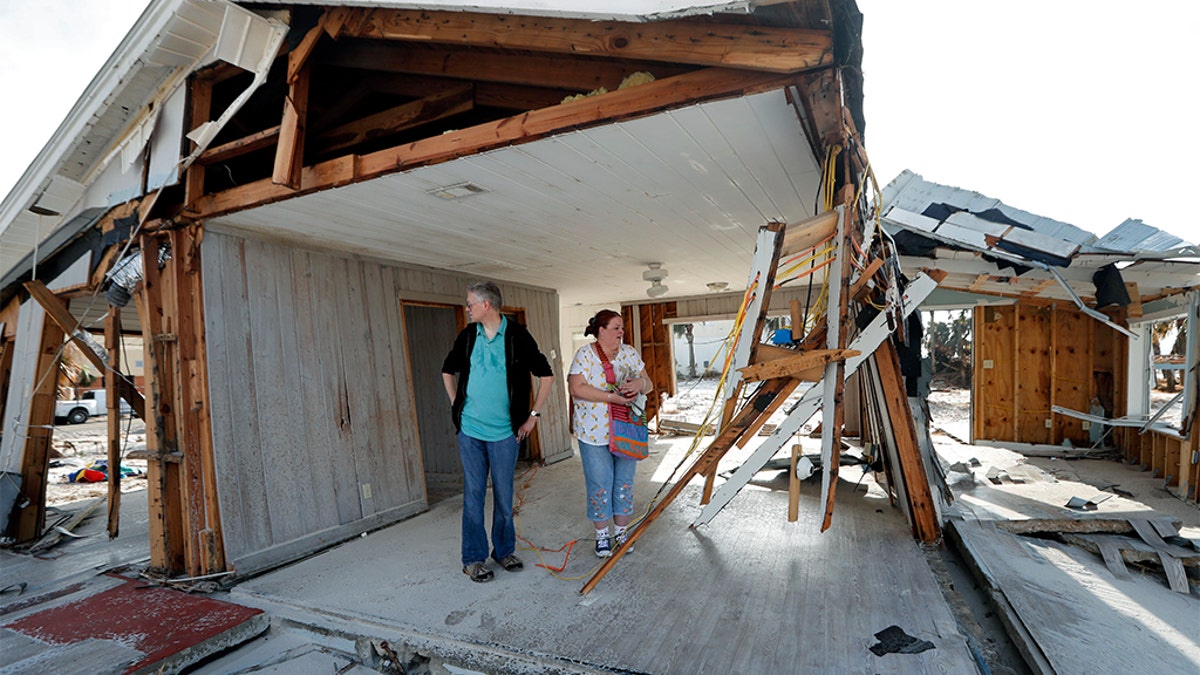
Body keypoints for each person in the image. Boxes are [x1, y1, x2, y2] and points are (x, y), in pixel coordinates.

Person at [442, 281, 555, 583]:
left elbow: (546, 374)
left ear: (486, 305)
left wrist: (533, 416)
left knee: (505, 497)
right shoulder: (468, 336)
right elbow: (447, 369)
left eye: (470, 304)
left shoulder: (517, 336)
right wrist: (457, 404)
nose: (467, 309)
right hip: (471, 432)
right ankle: (473, 559)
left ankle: (503, 551)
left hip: (505, 433)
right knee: (474, 496)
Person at [567, 309, 653, 558]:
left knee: (624, 483)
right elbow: (576, 388)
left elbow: (648, 383)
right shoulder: (585, 355)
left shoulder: (630, 353)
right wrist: (611, 397)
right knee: (599, 484)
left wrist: (639, 384)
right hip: (593, 434)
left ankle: (621, 533)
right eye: (616, 328)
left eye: (622, 328)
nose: (621, 332)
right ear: (601, 331)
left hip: (627, 429)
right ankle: (602, 536)